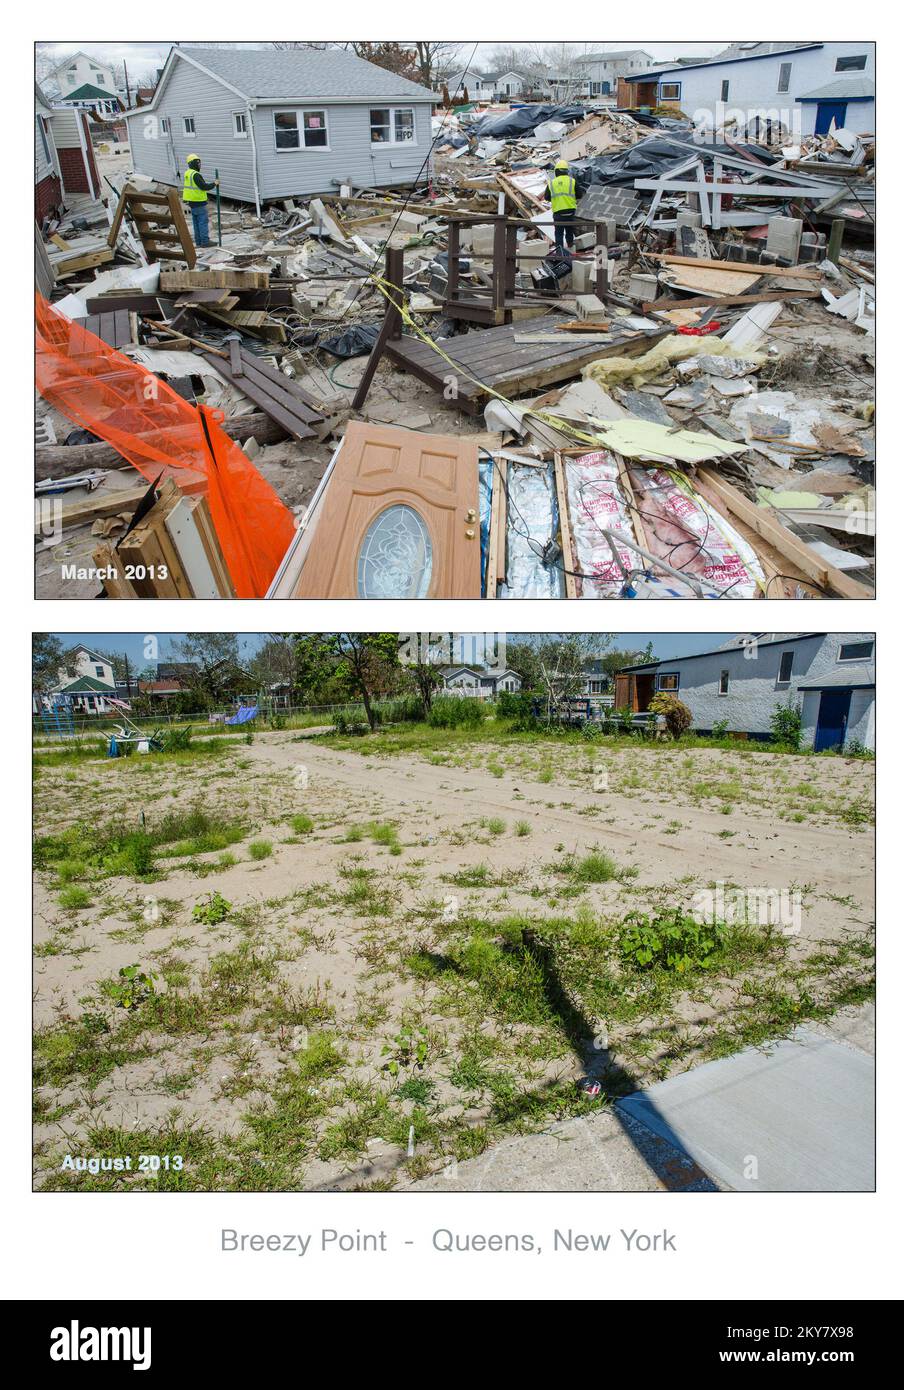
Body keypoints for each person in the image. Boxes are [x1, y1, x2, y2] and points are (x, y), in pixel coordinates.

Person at [182, 154, 219, 248]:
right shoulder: (195, 175)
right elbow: (204, 187)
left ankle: (199, 242)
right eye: (197, 163)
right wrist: (214, 183)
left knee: (196, 223)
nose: (199, 165)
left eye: (199, 163)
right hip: (198, 201)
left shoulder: (188, 173)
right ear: (193, 163)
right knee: (202, 222)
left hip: (192, 202)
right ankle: (205, 242)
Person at [545, 158, 577, 253]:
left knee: (558, 233)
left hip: (558, 213)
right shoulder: (572, 181)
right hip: (570, 212)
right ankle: (571, 248)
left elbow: (546, 197)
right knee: (569, 230)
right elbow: (579, 194)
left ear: (556, 171)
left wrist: (556, 199)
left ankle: (560, 253)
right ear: (567, 171)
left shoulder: (552, 183)